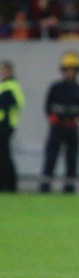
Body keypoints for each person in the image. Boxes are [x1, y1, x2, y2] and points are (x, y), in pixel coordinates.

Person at [40, 51, 79, 193]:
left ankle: (70, 185)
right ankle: (45, 184)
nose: (71, 73)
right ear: (63, 71)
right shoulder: (56, 88)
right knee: (51, 156)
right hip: (57, 127)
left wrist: (77, 120)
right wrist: (53, 118)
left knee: (72, 158)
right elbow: (48, 106)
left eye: (73, 70)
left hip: (72, 128)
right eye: (68, 70)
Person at [0, 61, 25, 192]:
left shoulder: (11, 85)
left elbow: (15, 103)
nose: (2, 73)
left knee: (4, 155)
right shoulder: (5, 85)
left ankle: (8, 184)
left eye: (4, 70)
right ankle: (7, 183)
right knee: (4, 155)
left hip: (6, 124)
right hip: (4, 124)